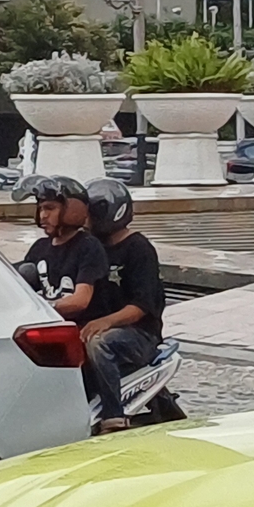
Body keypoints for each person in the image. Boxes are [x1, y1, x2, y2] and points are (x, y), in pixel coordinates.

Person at [80, 178, 168, 433]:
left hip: (140, 335)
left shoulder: (138, 249)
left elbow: (142, 305)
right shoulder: (91, 248)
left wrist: (105, 322)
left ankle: (113, 415)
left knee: (98, 342)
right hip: (103, 326)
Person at [12, 176, 108, 322]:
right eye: (40, 209)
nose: (43, 215)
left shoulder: (88, 246)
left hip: (78, 328)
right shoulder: (39, 247)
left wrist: (42, 308)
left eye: (50, 208)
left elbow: (80, 301)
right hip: (48, 324)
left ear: (73, 209)